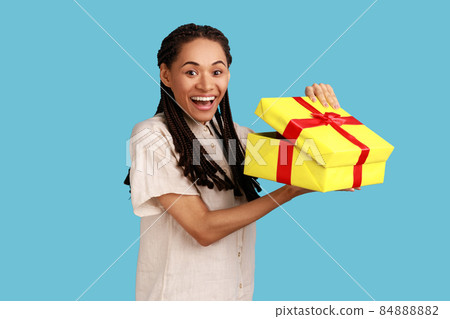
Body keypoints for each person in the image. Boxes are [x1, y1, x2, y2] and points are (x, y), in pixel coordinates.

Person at [123, 23, 357, 301]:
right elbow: (203, 228)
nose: (206, 85)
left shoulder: (235, 138)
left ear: (228, 76)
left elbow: (315, 157)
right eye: (191, 72)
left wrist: (322, 115)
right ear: (166, 75)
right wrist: (290, 191)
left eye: (217, 71)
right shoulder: (151, 136)